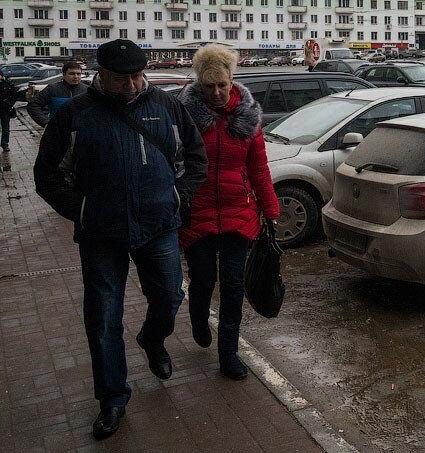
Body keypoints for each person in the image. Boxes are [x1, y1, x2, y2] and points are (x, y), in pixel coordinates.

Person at [34, 39, 207, 440]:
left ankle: (152, 337)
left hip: (158, 226)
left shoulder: (167, 107)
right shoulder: (77, 114)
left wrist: (179, 197)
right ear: (101, 74)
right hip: (101, 234)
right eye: (119, 78)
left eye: (135, 77)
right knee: (104, 318)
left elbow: (196, 159)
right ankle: (112, 398)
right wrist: (83, 212)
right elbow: (47, 175)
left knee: (169, 295)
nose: (129, 86)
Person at [176, 45, 280, 381]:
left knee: (234, 286)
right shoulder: (184, 118)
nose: (217, 93)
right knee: (204, 280)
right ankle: (197, 317)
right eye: (209, 87)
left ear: (232, 80)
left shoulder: (248, 118)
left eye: (223, 85)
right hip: (197, 215)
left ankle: (228, 354)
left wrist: (271, 209)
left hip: (239, 214)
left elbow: (259, 168)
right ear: (200, 85)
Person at [28, 60, 88, 126]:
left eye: (78, 74)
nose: (76, 76)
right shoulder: (52, 89)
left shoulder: (87, 90)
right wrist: (45, 122)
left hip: (82, 132)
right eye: (72, 73)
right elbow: (33, 105)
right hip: (59, 131)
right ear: (64, 75)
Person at [0, 70, 17, 152]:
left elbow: (14, 96)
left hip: (5, 110)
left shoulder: (8, 84)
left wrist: (10, 104)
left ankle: (5, 144)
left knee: (5, 128)